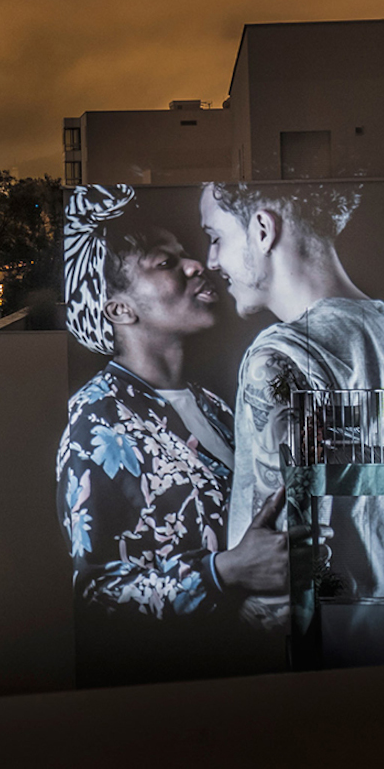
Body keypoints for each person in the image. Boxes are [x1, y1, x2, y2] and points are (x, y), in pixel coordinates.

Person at [199, 181, 384, 661]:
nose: (211, 260)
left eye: (216, 237)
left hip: (339, 690)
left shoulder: (279, 357)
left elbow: (273, 597)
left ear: (262, 229)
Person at [58, 184, 292, 684]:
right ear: (119, 310)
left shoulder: (215, 405)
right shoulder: (97, 421)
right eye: (165, 263)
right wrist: (224, 572)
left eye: (187, 253)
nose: (195, 265)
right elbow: (96, 593)